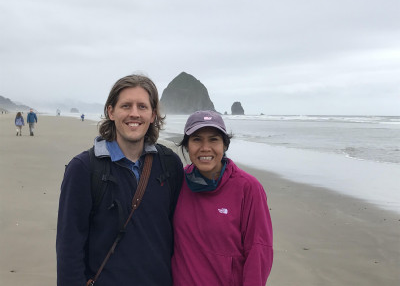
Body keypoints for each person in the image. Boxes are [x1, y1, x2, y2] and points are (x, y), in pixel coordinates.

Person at [56, 74, 183, 286]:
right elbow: (69, 249)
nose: (134, 113)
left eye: (142, 106)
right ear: (111, 111)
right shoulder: (84, 169)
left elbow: (184, 233)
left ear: (153, 115)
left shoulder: (169, 164)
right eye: (126, 106)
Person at [172, 110, 273, 286]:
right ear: (187, 145)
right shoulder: (177, 182)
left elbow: (259, 250)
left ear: (225, 145)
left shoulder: (248, 188)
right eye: (197, 139)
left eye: (213, 139)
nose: (205, 148)